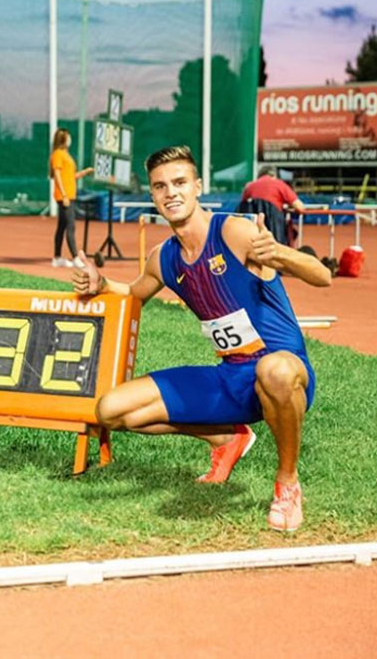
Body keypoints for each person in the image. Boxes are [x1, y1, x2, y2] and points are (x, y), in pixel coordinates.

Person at [71, 145, 332, 532]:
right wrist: (100, 283)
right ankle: (228, 438)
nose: (170, 193)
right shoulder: (164, 257)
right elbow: (134, 293)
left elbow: (322, 275)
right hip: (230, 379)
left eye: (179, 183)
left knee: (273, 369)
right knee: (112, 410)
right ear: (152, 196)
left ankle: (287, 484)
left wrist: (278, 253)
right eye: (160, 186)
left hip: (283, 372)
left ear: (198, 186)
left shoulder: (234, 231)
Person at [50, 128, 93, 267]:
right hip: (64, 196)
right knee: (71, 225)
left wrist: (84, 173)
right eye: (68, 137)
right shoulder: (57, 154)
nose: (69, 140)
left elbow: (70, 176)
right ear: (63, 139)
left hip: (70, 193)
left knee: (62, 226)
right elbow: (57, 175)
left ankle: (57, 258)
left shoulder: (66, 154)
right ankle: (75, 257)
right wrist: (63, 195)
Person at [239, 166, 306, 245]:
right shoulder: (279, 184)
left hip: (254, 228)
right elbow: (300, 206)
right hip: (275, 225)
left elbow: (242, 205)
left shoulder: (250, 186)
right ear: (274, 175)